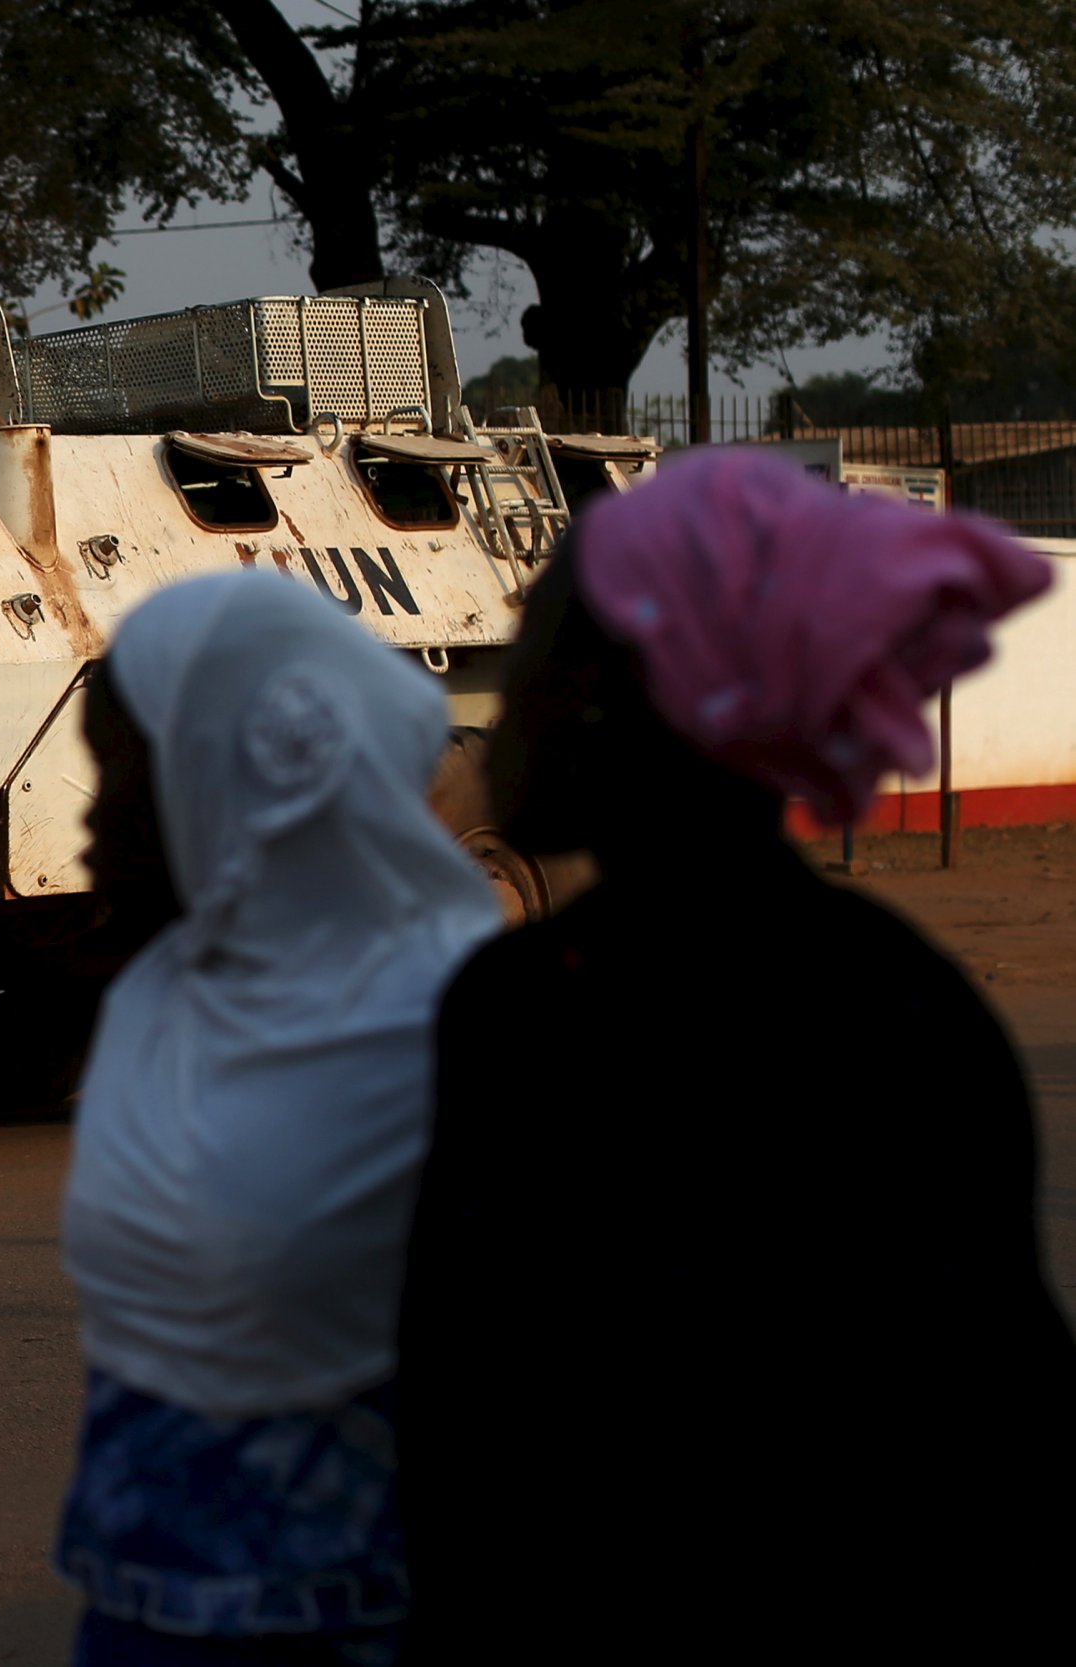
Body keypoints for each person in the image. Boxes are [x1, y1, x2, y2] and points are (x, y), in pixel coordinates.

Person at [396, 449, 1076, 1661]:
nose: (503, 713)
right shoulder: (908, 1003)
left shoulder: (531, 1012)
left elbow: (466, 1427)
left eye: (541, 661)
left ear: (629, 695)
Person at [55, 572, 505, 1665]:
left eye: (118, 766)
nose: (86, 811)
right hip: (132, 1607)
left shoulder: (455, 1023)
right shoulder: (158, 998)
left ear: (236, 771)